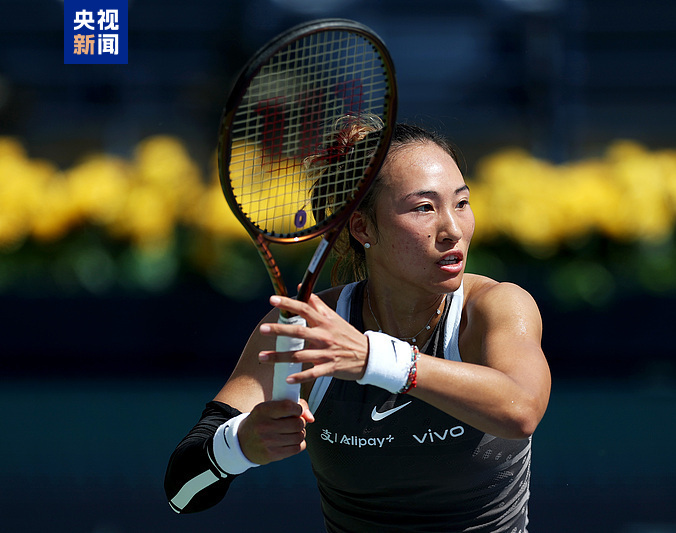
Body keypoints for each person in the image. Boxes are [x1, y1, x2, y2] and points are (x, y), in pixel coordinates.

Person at [164, 117, 551, 532]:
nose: (453, 229)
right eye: (424, 208)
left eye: (461, 203)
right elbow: (180, 494)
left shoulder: (497, 306)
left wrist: (374, 359)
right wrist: (238, 446)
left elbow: (522, 410)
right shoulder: (306, 331)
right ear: (363, 226)